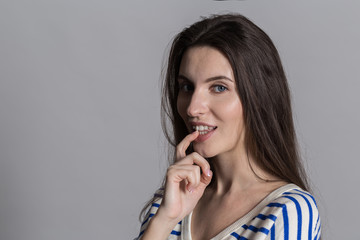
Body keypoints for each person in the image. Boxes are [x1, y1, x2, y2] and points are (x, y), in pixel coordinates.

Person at [136, 14, 321, 240]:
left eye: (219, 88)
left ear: (259, 96)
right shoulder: (169, 202)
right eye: (186, 86)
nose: (193, 108)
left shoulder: (287, 211)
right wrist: (165, 220)